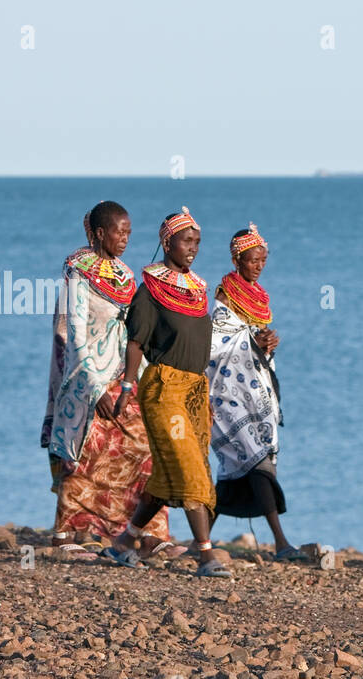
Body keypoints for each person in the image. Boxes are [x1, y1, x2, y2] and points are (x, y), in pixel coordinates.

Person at [40, 201, 174, 560]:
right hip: (86, 381)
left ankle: (144, 532)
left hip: (123, 377)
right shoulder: (77, 273)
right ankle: (66, 532)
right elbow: (73, 335)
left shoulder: (125, 275)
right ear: (100, 233)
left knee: (144, 449)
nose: (126, 238)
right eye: (119, 231)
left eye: (129, 232)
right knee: (84, 454)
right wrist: (94, 387)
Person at [101, 207, 230, 578]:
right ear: (166, 241)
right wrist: (127, 385)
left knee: (169, 473)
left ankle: (125, 542)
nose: (193, 248)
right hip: (163, 390)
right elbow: (136, 342)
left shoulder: (198, 288)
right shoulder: (150, 290)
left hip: (193, 390)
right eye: (186, 241)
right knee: (188, 465)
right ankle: (205, 555)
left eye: (197, 242)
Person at [207, 223, 300, 560]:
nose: (259, 266)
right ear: (237, 260)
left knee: (238, 465)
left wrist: (267, 345)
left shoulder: (260, 297)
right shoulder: (224, 295)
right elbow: (216, 343)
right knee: (257, 459)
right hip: (228, 392)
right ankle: (281, 542)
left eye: (263, 259)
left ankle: (201, 539)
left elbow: (254, 341)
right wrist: (251, 342)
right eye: (252, 260)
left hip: (255, 392)